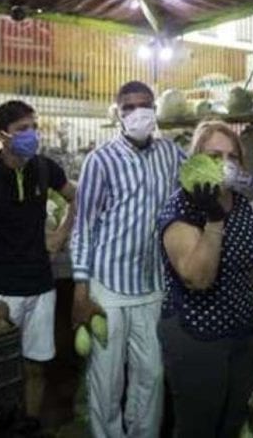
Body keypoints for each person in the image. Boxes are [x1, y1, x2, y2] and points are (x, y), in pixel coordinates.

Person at [70, 81, 185, 438]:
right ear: (118, 113)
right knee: (107, 379)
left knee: (151, 375)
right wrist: (80, 289)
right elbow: (84, 226)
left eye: (145, 105)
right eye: (129, 107)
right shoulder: (100, 160)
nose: (138, 113)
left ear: (155, 109)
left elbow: (207, 176)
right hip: (108, 285)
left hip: (152, 286)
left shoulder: (171, 153)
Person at [0, 100, 76, 420]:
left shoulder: (44, 168)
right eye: (22, 129)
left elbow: (76, 196)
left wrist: (62, 233)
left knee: (35, 368)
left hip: (40, 288)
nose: (32, 135)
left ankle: (28, 426)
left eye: (33, 127)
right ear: (2, 135)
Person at [158, 121, 253, 438]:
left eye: (232, 157)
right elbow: (198, 278)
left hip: (244, 332)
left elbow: (251, 265)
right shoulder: (181, 206)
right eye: (215, 155)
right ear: (197, 160)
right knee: (198, 428)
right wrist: (214, 220)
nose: (225, 164)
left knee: (233, 423)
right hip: (198, 333)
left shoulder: (243, 205)